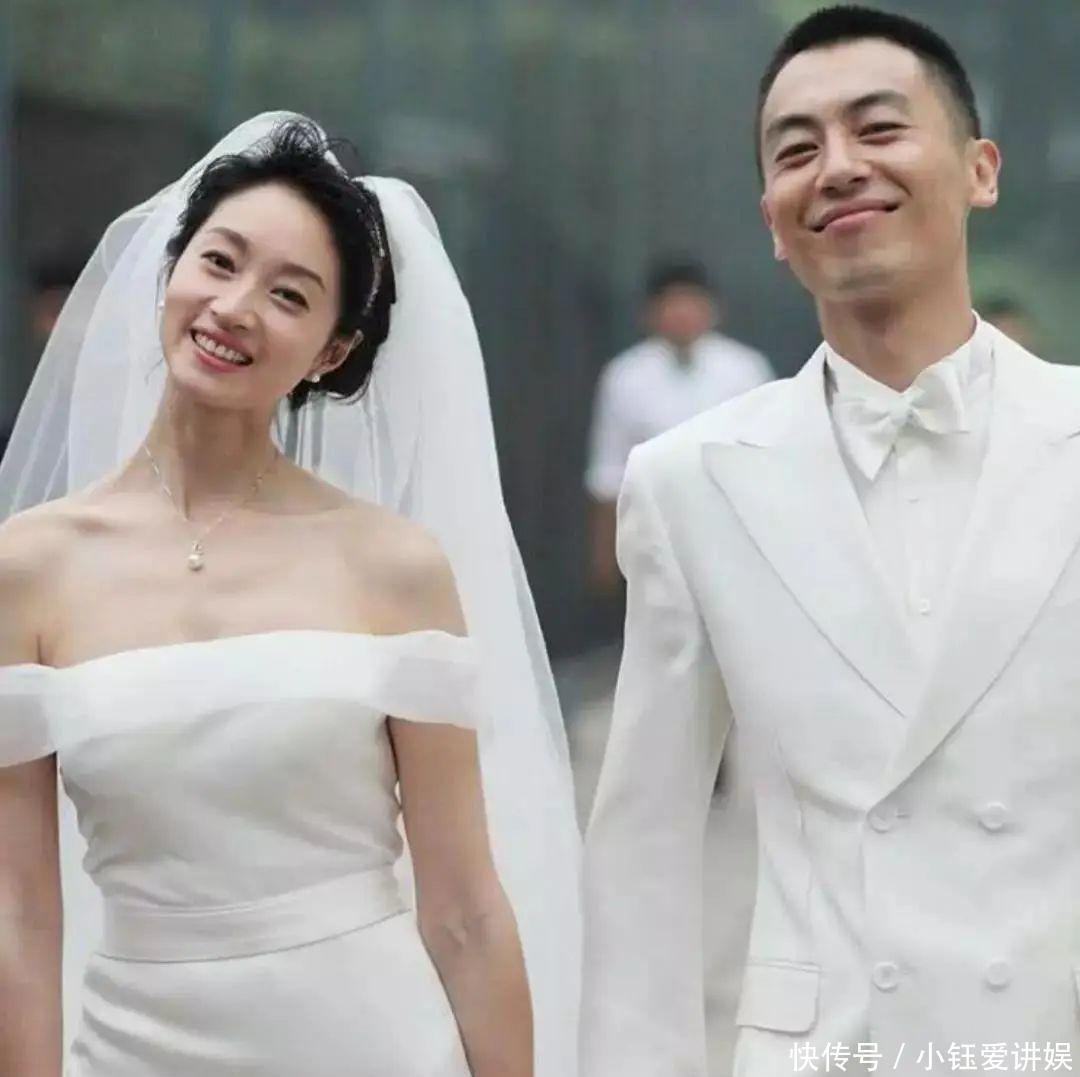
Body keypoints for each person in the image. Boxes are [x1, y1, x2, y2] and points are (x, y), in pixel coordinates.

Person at [0, 114, 581, 1077]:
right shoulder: (29, 566)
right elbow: (18, 912)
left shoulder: (393, 565)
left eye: (288, 295)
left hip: (374, 1045)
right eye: (219, 262)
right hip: (131, 1045)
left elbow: (466, 908)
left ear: (331, 350)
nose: (234, 308)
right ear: (170, 271)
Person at [583, 6, 1080, 1075]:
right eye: (797, 149)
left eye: (879, 128)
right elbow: (643, 850)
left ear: (981, 169)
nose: (840, 167)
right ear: (773, 217)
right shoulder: (688, 481)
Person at [584, 261, 772, 597]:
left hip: (730, 531)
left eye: (692, 303)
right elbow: (608, 471)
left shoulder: (745, 369)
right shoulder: (625, 375)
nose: (682, 314)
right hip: (653, 533)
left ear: (713, 310)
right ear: (650, 313)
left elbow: (767, 459)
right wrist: (604, 554)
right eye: (672, 304)